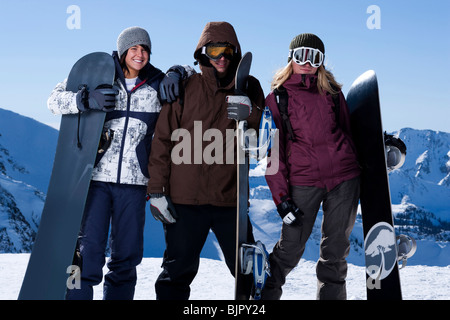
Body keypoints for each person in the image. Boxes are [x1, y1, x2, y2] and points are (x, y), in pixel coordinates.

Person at [48, 26, 177, 300]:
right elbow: (53, 100)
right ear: (122, 52)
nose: (139, 54)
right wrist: (84, 99)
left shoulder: (157, 83)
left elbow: (186, 83)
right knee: (88, 251)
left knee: (127, 256)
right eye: (133, 49)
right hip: (94, 181)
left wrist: (177, 71)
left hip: (134, 184)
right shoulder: (98, 76)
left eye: (144, 49)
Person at [147, 21, 265, 300]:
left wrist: (250, 113)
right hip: (185, 201)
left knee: (247, 271)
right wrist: (156, 190)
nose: (221, 57)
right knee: (176, 271)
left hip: (229, 200)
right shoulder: (185, 87)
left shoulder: (249, 85)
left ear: (235, 52)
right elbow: (163, 140)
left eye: (227, 49)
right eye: (214, 49)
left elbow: (262, 138)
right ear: (202, 52)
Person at [262, 33, 361, 300]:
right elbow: (274, 154)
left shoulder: (332, 93)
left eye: (314, 57)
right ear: (290, 59)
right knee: (290, 249)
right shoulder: (277, 98)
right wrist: (282, 199)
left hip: (344, 179)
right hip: (303, 181)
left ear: (321, 62)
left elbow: (348, 131)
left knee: (335, 252)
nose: (307, 62)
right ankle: (263, 298)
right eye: (300, 55)